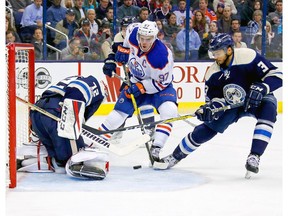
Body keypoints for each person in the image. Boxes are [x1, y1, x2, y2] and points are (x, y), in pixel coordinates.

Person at [160, 33, 282, 177]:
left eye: (218, 53)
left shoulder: (248, 56)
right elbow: (213, 102)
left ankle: (254, 156)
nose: (215, 57)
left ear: (229, 50)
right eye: (213, 53)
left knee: (269, 110)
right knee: (207, 129)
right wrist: (210, 110)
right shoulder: (212, 74)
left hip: (255, 98)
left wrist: (263, 88)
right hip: (231, 105)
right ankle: (176, 156)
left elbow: (278, 75)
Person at [101, 20, 177, 163]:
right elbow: (124, 46)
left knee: (169, 110)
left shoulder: (162, 57)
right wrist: (116, 56)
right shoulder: (132, 32)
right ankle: (98, 139)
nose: (143, 42)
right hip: (135, 79)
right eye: (141, 38)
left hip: (158, 86)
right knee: (119, 112)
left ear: (155, 37)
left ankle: (157, 147)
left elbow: (162, 83)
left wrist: (141, 87)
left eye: (147, 39)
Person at [24, 75, 108, 180]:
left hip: (37, 114)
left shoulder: (71, 79)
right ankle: (63, 161)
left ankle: (46, 160)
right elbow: (77, 91)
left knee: (59, 159)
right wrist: (69, 124)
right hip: (56, 114)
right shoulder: (98, 85)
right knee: (73, 158)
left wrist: (35, 133)